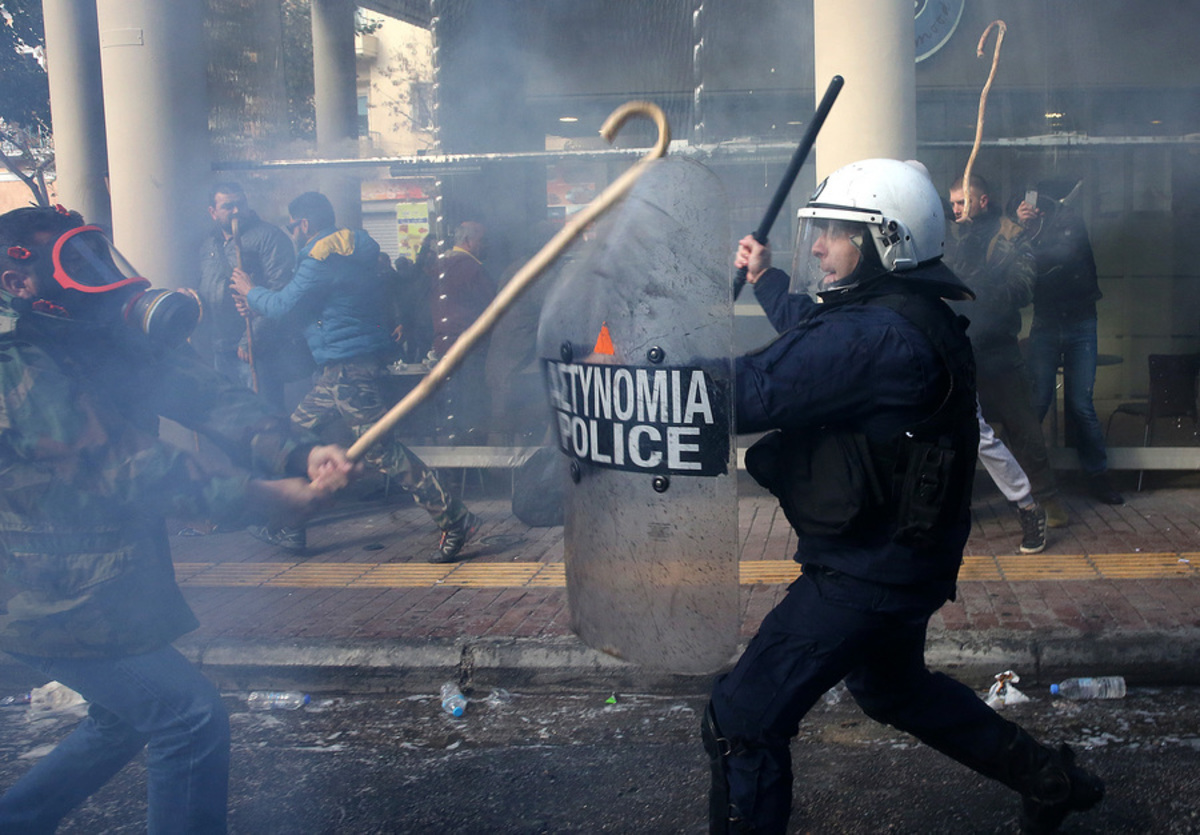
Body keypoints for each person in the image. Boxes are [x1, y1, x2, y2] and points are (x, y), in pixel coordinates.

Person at [702, 159, 1103, 834]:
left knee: (741, 718)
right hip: (902, 559)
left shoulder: (878, 334)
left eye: (835, 231)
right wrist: (768, 278)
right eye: (819, 229)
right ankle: (1049, 778)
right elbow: (814, 335)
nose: (821, 244)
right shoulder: (902, 314)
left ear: (887, 240)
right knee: (893, 687)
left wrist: (636, 383)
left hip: (867, 572)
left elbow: (757, 387)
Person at [0, 206, 352, 832]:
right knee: (186, 717)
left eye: (95, 254)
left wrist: (297, 449)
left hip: (98, 581)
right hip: (37, 589)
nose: (98, 273)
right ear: (17, 282)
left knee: (124, 719)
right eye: (74, 262)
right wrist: (264, 498)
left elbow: (208, 395)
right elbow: (119, 462)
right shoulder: (12, 358)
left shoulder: (87, 328)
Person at [231, 191, 479, 563]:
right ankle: (292, 524)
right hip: (340, 369)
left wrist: (251, 292)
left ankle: (455, 518)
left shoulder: (321, 257)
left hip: (349, 369)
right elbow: (313, 308)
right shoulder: (349, 250)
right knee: (293, 439)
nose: (292, 233)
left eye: (292, 226)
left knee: (381, 451)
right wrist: (256, 300)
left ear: (304, 224)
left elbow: (285, 305)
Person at [944, 172, 1067, 528]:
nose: (955, 210)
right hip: (959, 349)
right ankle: (956, 504)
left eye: (961, 202)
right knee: (957, 431)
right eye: (952, 203)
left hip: (998, 348)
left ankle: (1048, 500)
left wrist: (982, 285)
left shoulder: (1011, 236)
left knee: (1022, 426)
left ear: (982, 201)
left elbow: (1023, 289)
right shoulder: (951, 237)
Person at [1013, 181, 1123, 505]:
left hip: (1079, 322)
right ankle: (1024, 478)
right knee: (1039, 400)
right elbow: (1027, 266)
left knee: (1080, 404)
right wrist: (1024, 229)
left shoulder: (1070, 221)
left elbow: (1061, 254)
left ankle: (1097, 476)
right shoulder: (1034, 229)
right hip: (1048, 321)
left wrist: (1031, 230)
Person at [196, 182, 311, 411]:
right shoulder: (209, 244)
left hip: (256, 346)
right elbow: (205, 287)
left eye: (240, 204)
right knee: (232, 414)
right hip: (220, 345)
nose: (237, 211)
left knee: (263, 412)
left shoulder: (269, 237)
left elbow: (280, 290)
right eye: (228, 206)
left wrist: (252, 338)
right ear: (213, 212)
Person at [431, 221, 495, 443]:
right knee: (471, 411)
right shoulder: (472, 269)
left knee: (451, 410)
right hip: (469, 350)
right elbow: (493, 307)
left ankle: (453, 470)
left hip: (443, 347)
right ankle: (474, 469)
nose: (486, 245)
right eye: (482, 241)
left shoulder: (441, 266)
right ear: (468, 241)